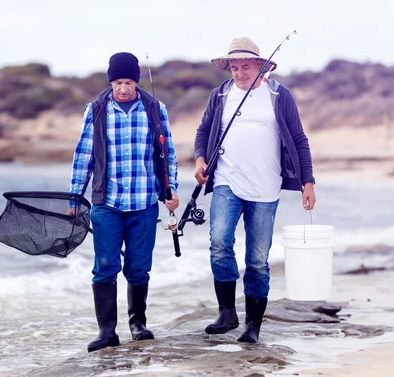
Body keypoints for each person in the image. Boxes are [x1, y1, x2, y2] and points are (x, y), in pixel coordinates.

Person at [194, 37, 316, 343]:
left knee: (258, 260)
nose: (238, 73)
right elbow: (204, 130)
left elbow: (299, 139)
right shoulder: (221, 94)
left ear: (260, 65)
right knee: (220, 241)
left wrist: (307, 182)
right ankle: (226, 313)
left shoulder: (278, 95)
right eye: (234, 67)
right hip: (226, 179)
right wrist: (199, 159)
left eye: (245, 67)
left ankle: (253, 326)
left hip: (266, 187)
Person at [68, 52, 180, 352]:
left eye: (129, 82)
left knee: (139, 267)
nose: (123, 88)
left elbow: (167, 154)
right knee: (105, 266)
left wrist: (171, 190)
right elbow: (83, 156)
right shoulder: (96, 110)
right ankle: (107, 332)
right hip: (107, 202)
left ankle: (138, 324)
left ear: (136, 81)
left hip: (144, 202)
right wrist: (76, 197)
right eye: (118, 82)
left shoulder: (156, 109)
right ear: (111, 81)